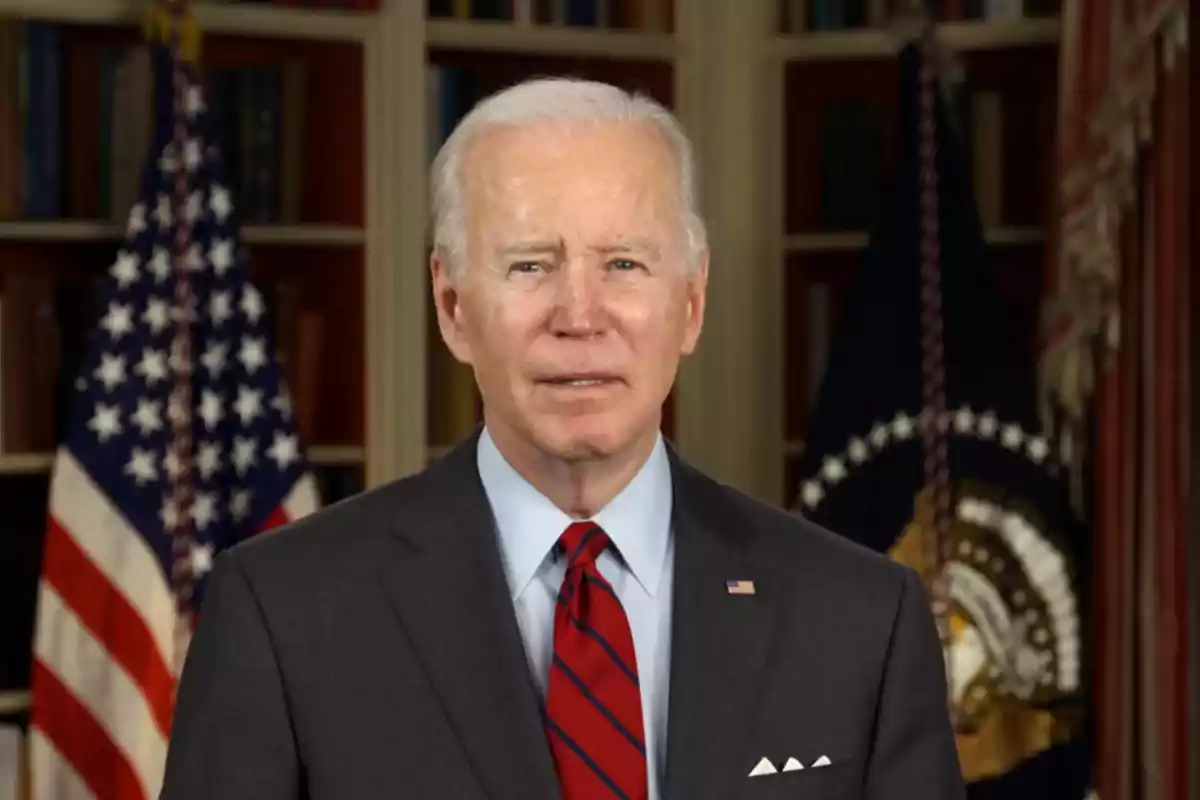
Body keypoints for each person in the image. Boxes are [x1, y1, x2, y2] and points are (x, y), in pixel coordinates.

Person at [159, 77, 965, 800]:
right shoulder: (284, 615)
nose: (580, 317)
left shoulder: (862, 620)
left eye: (623, 264)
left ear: (690, 304)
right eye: (529, 266)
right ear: (450, 306)